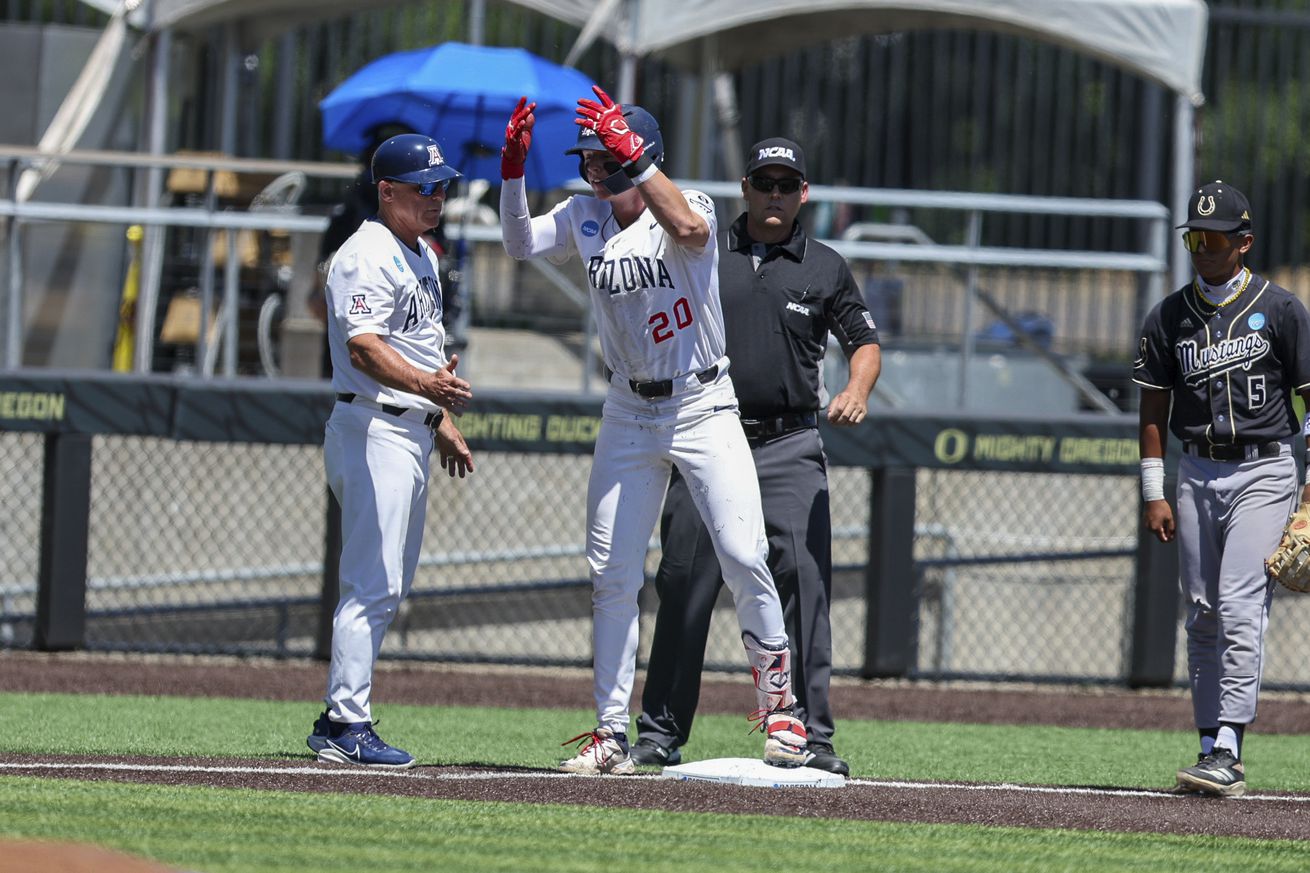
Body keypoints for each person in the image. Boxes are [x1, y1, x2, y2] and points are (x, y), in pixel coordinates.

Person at [498, 88, 808, 775]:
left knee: (742, 551)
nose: (593, 173)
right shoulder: (586, 215)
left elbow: (694, 235)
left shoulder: (687, 204)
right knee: (611, 574)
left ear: (641, 156)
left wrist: (635, 159)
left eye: (604, 159)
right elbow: (518, 243)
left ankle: (782, 708)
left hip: (702, 402)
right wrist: (513, 176)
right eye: (591, 160)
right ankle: (611, 732)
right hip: (628, 408)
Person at [630, 138, 881, 776]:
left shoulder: (825, 265)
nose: (774, 193)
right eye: (764, 182)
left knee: (804, 585)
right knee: (685, 580)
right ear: (743, 187)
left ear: (804, 194)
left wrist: (856, 387)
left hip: (789, 441)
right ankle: (660, 732)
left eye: (786, 183)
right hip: (707, 432)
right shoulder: (703, 250)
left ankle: (811, 736)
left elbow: (864, 340)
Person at [1134, 180, 1310, 797]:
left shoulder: (1282, 309)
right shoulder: (1169, 317)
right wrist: (1154, 490)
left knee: (1239, 604)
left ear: (1244, 243)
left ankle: (1231, 744)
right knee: (1202, 611)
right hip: (1196, 470)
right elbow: (1152, 409)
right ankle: (1209, 742)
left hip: (1265, 468)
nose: (1202, 249)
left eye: (1212, 239)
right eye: (1194, 238)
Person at [306, 133, 476, 768]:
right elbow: (364, 348)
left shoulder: (421, 255)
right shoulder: (365, 253)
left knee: (388, 582)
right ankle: (345, 722)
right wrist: (429, 388)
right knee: (371, 583)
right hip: (371, 424)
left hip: (407, 426)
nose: (438, 198)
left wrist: (438, 417)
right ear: (388, 191)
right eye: (426, 188)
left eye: (443, 186)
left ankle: (343, 716)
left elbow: (418, 348)